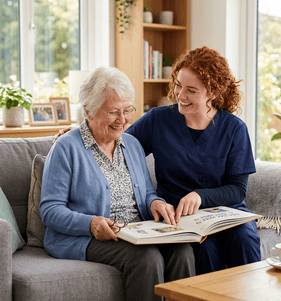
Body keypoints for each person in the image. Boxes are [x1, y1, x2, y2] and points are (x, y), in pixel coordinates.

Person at [53, 46, 261, 275]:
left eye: (191, 90)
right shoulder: (158, 120)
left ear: (212, 92)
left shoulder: (234, 128)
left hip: (225, 213)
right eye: (178, 85)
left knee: (245, 239)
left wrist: (200, 196)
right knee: (205, 250)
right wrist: (79, 133)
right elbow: (116, 141)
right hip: (179, 217)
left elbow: (238, 189)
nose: (180, 95)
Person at [40, 66, 195, 301]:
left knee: (182, 250)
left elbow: (147, 194)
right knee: (146, 258)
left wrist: (156, 203)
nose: (122, 120)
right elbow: (50, 211)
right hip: (88, 237)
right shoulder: (66, 148)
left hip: (136, 231)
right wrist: (91, 223)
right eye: (113, 112)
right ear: (89, 111)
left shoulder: (132, 144)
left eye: (127, 110)